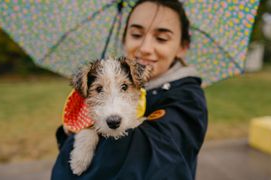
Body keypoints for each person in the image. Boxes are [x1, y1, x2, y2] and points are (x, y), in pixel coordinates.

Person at [51, 0, 208, 179]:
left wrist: (75, 141)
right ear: (124, 38)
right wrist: (69, 133)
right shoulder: (115, 76)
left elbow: (144, 163)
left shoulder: (188, 100)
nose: (146, 48)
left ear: (183, 47)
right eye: (136, 34)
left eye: (161, 38)